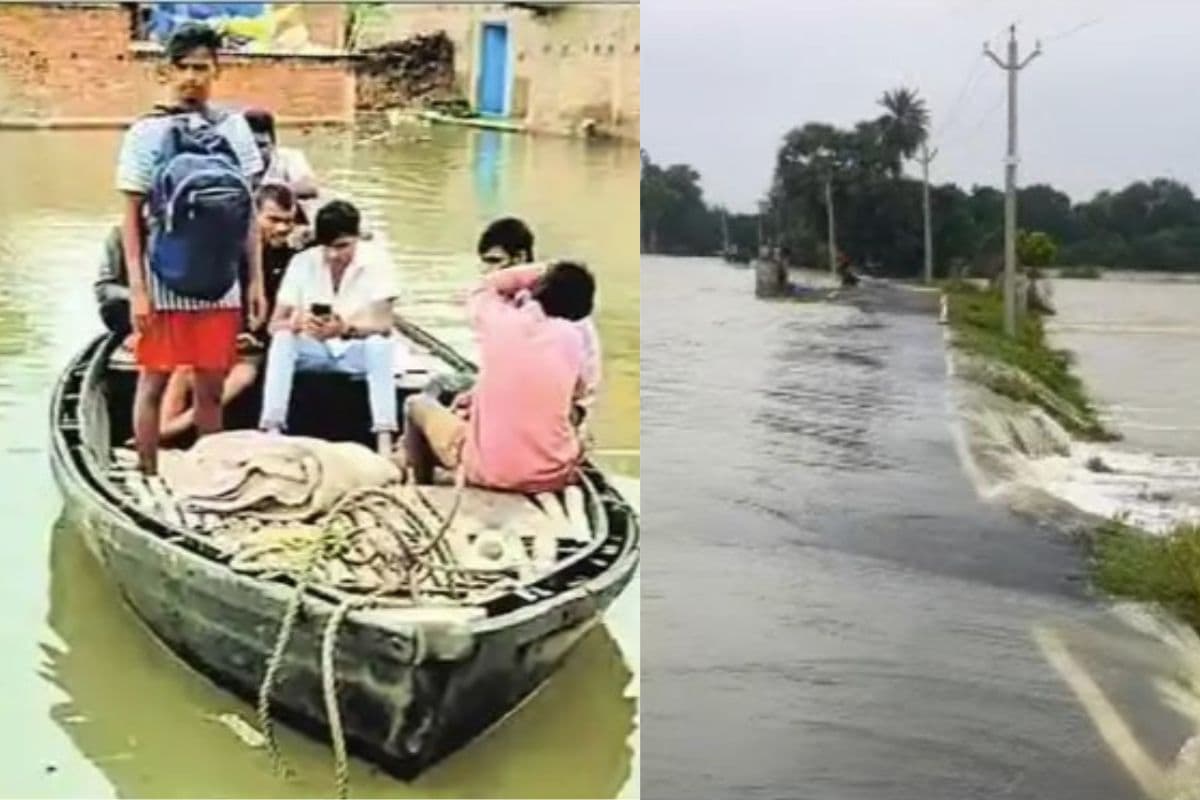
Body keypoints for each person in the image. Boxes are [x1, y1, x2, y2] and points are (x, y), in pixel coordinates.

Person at [117, 22, 266, 475]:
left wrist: (254, 280)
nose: (192, 77)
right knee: (153, 382)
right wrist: (138, 290)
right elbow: (131, 219)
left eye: (202, 67)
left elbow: (248, 216)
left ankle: (210, 476)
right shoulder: (146, 133)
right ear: (166, 71)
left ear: (217, 70)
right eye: (182, 67)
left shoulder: (235, 129)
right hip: (163, 282)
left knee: (211, 389)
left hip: (221, 281)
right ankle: (147, 473)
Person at [403, 261, 595, 492]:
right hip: (554, 474)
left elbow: (484, 287)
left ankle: (422, 488)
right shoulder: (575, 339)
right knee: (581, 435)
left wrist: (537, 270)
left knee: (416, 405)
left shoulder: (498, 319)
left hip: (489, 472)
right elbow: (577, 394)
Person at [157, 183, 306, 442]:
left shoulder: (293, 259)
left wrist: (252, 337)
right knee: (185, 367)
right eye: (273, 220)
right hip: (219, 332)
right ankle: (163, 427)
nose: (282, 228)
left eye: (288, 221)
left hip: (256, 346)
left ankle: (167, 433)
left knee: (242, 377)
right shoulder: (228, 252)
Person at [258, 200, 400, 455]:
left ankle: (384, 436)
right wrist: (297, 323)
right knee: (282, 340)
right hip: (314, 349)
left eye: (342, 246)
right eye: (328, 248)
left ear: (356, 238)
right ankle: (272, 428)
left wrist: (346, 328)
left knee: (380, 345)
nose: (334, 255)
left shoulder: (377, 261)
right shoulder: (303, 262)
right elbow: (273, 325)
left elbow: (384, 324)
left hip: (355, 350)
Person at [474, 217, 602, 423]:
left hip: (559, 411)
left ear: (520, 258)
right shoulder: (509, 302)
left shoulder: (557, 302)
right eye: (485, 262)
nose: (487, 270)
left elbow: (584, 382)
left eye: (494, 261)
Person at [244, 107, 318, 223]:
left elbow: (310, 188)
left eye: (262, 145)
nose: (256, 152)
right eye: (250, 146)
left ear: (273, 144)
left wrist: (268, 191)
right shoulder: (233, 162)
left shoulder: (290, 157)